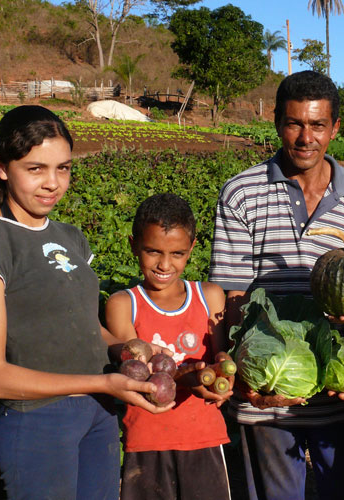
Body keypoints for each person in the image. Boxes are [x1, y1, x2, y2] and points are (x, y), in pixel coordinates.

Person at [0, 105, 172, 499]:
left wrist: (126, 347)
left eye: (64, 168)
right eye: (35, 168)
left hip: (99, 415)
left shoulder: (72, 238)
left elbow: (88, 327)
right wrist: (103, 381)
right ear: (2, 167)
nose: (53, 183)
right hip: (39, 422)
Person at [208, 70, 344, 500]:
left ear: (335, 128)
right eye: (294, 123)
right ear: (276, 122)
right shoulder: (241, 193)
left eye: (318, 125)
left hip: (337, 396)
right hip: (267, 394)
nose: (306, 137)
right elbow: (232, 295)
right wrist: (244, 376)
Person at [105, 193, 232, 500]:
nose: (164, 264)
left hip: (203, 437)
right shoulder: (124, 304)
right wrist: (183, 377)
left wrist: (223, 375)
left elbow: (222, 358)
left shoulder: (209, 296)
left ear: (192, 248)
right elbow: (133, 373)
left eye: (177, 253)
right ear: (134, 245)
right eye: (152, 251)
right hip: (146, 439)